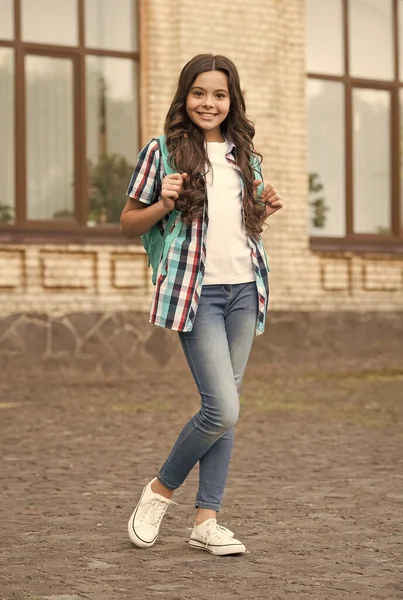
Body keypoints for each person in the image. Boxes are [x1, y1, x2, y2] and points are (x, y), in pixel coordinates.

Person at [120, 54, 283, 556]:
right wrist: (164, 202)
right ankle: (160, 491)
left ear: (231, 100)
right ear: (184, 96)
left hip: (243, 291)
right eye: (198, 93)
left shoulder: (244, 156)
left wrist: (264, 207)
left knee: (225, 412)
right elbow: (128, 223)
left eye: (218, 94)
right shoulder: (162, 152)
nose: (208, 103)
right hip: (197, 294)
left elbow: (241, 227)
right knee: (222, 407)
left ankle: (206, 521)